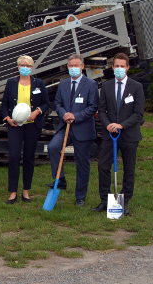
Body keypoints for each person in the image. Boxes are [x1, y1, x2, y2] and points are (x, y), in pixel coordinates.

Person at [92, 53, 145, 215]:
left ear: (127, 68)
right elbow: (101, 110)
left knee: (129, 169)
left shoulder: (136, 87)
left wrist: (122, 125)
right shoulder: (107, 86)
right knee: (103, 167)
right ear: (112, 67)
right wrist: (108, 125)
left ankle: (125, 201)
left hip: (129, 135)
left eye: (123, 66)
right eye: (117, 66)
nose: (120, 69)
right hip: (110, 134)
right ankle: (105, 200)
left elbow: (138, 114)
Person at [46, 54, 99, 207]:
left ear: (82, 66)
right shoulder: (63, 84)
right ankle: (60, 179)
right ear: (67, 67)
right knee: (53, 147)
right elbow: (57, 103)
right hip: (66, 127)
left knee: (82, 163)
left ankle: (80, 196)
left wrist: (75, 116)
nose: (73, 68)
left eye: (76, 65)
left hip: (83, 129)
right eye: (71, 66)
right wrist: (64, 115)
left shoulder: (91, 84)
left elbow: (92, 107)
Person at [1, 55, 49, 204]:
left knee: (29, 158)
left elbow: (46, 104)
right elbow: (4, 104)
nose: (25, 67)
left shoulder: (39, 83)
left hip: (32, 126)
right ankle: (13, 192)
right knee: (14, 157)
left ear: (32, 67)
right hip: (15, 126)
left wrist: (37, 112)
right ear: (17, 67)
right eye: (22, 65)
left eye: (27, 65)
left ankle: (26, 191)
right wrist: (7, 118)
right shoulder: (11, 83)